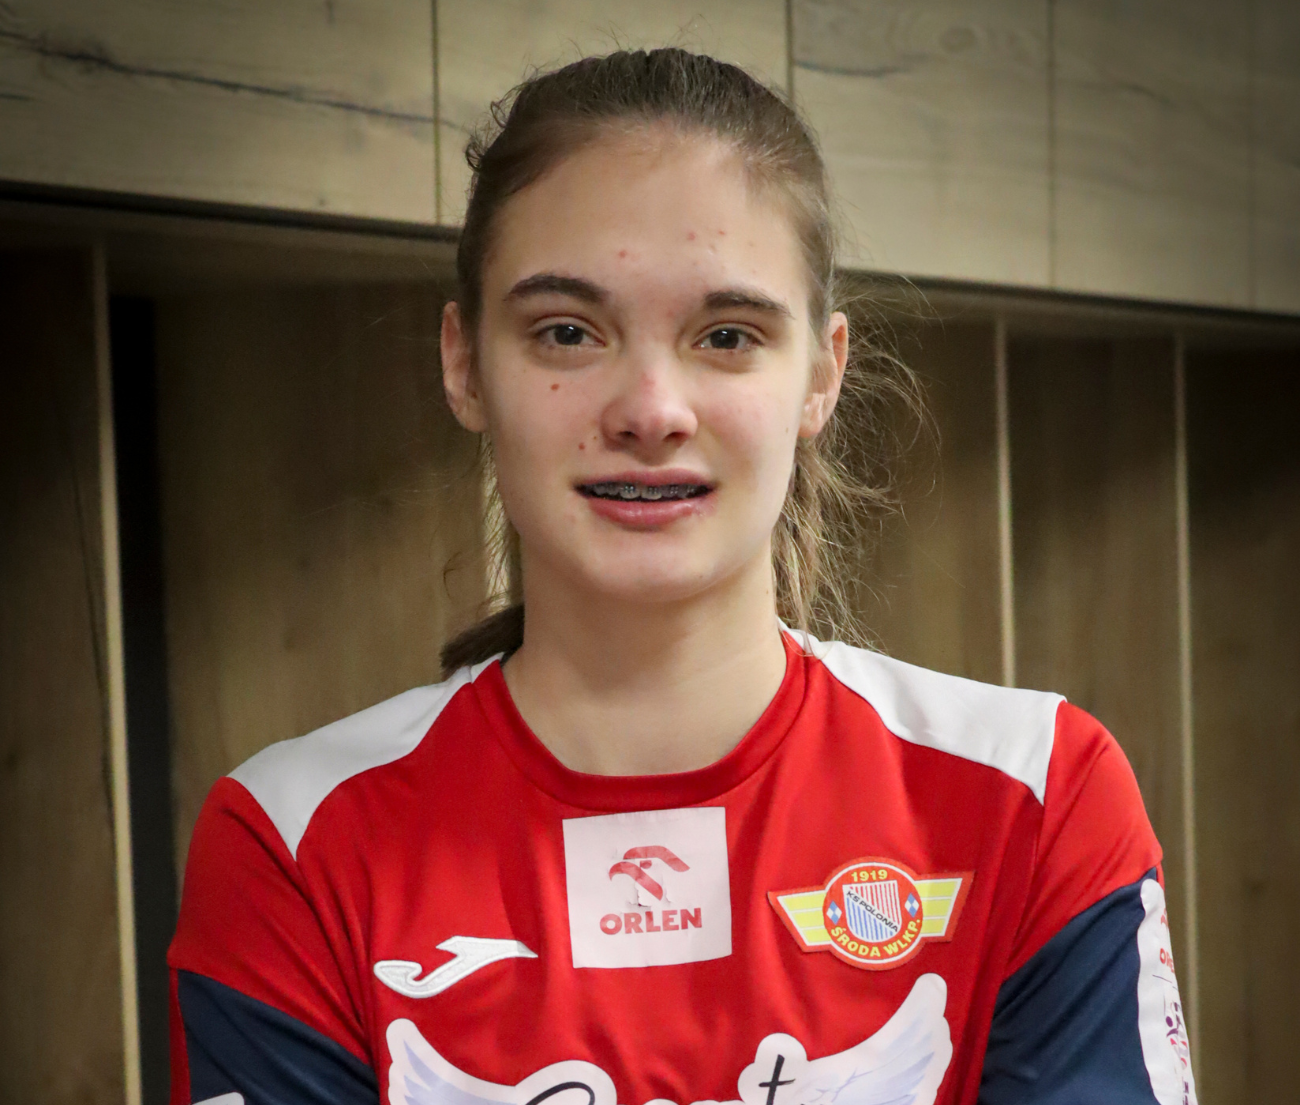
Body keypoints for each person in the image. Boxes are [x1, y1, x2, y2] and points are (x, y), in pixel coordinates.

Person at [167, 48, 1196, 1105]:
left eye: (727, 335)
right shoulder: (291, 839)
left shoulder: (1035, 793)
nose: (651, 409)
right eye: (568, 332)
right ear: (465, 362)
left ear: (823, 372)